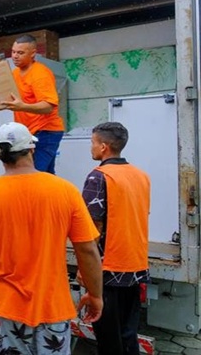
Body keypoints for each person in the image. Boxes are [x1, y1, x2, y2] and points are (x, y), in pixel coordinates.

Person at [0, 121, 103, 355]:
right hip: (53, 306)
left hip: (5, 306)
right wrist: (95, 294)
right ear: (32, 149)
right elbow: (87, 250)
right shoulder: (65, 191)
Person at [81, 122, 150, 355]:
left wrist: (86, 270)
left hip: (108, 269)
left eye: (92, 143)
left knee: (108, 339)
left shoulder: (98, 177)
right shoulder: (141, 176)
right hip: (135, 264)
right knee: (128, 334)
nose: (90, 148)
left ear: (103, 147)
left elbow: (92, 229)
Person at [0, 35, 64, 174]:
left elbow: (48, 106)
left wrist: (22, 106)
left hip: (45, 131)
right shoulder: (15, 73)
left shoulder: (40, 74)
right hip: (28, 132)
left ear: (33, 53)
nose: (15, 56)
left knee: (31, 174)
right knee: (43, 175)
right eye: (13, 52)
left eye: (20, 53)